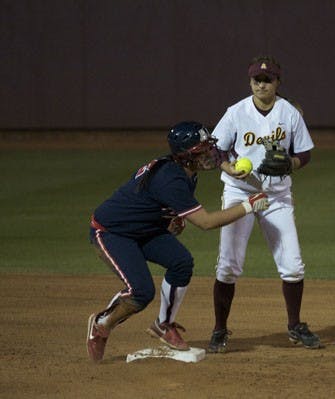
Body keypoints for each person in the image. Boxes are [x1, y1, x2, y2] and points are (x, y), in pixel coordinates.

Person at [86, 121, 270, 362]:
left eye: (208, 148)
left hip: (144, 229)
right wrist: (248, 205)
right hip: (112, 232)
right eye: (200, 151)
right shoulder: (170, 179)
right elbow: (206, 223)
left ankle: (164, 324)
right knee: (141, 292)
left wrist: (171, 220)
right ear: (185, 156)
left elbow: (149, 203)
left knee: (181, 262)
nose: (208, 154)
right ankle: (101, 323)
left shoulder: (186, 172)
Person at [207, 55, 321, 352]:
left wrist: (291, 163)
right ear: (250, 82)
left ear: (277, 83)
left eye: (267, 80)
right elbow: (215, 149)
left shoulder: (289, 113)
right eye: (257, 80)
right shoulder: (236, 112)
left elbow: (305, 153)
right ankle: (219, 330)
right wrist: (228, 168)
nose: (261, 84)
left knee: (293, 266)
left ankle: (295, 326)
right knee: (228, 267)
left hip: (277, 196)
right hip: (239, 193)